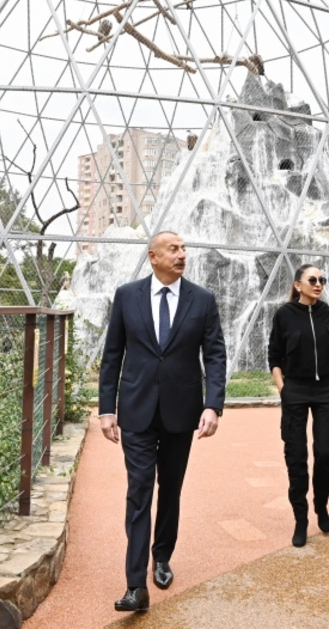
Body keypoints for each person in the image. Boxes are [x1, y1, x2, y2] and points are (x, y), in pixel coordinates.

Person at [97, 231, 227, 612]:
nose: (182, 254)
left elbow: (215, 355)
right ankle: (135, 585)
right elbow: (112, 356)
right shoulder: (127, 295)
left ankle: (162, 555)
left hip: (181, 412)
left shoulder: (202, 300)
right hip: (136, 412)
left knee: (170, 490)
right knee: (139, 493)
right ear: (153, 256)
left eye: (185, 248)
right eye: (174, 249)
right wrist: (107, 409)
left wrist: (213, 405)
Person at [267, 263, 329, 548]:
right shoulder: (284, 315)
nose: (319, 284)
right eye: (312, 279)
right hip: (296, 391)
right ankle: (300, 518)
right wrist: (283, 389)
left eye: (322, 280)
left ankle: (321, 504)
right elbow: (274, 356)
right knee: (296, 456)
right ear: (297, 285)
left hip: (327, 389)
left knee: (326, 452)